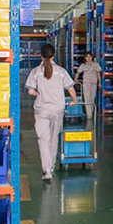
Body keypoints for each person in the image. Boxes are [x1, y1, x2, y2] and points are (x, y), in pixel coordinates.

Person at [26, 43, 78, 181]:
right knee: (54, 138)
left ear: (41, 56)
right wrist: (74, 100)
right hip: (57, 109)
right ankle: (52, 166)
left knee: (43, 139)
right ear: (54, 55)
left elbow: (30, 91)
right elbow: (71, 89)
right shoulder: (61, 71)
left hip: (41, 109)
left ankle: (47, 171)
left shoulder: (36, 71)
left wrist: (40, 94)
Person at [75, 52, 102, 120]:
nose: (89, 58)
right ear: (85, 58)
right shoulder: (83, 65)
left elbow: (98, 74)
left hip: (94, 83)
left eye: (90, 57)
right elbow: (78, 73)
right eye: (87, 57)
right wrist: (75, 81)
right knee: (87, 98)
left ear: (92, 57)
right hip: (86, 84)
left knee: (92, 99)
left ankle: (91, 112)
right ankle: (89, 114)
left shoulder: (96, 65)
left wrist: (100, 83)